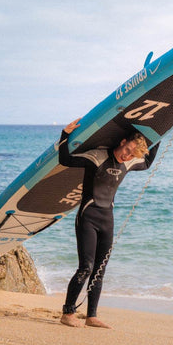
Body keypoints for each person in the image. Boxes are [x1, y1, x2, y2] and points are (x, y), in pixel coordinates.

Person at [59, 118, 160, 328]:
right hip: (87, 217)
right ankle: (67, 313)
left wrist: (160, 135)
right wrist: (65, 134)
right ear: (122, 141)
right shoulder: (97, 156)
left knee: (100, 270)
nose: (127, 155)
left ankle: (91, 316)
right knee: (85, 267)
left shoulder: (130, 161)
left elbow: (148, 163)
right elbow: (66, 160)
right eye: (127, 149)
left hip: (107, 219)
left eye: (132, 154)